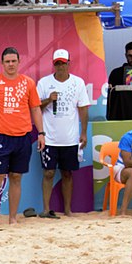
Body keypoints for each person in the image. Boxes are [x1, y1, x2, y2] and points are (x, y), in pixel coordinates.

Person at [0, 47, 44, 226]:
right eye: (7, 61)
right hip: (0, 137)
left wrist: (41, 133)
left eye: (14, 61)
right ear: (2, 63)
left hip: (22, 136)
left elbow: (35, 109)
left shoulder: (28, 83)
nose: (11, 64)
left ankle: (12, 218)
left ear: (19, 62)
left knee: (16, 177)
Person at [37, 49, 91, 218]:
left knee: (67, 173)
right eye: (57, 63)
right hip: (49, 138)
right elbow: (35, 107)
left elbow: (83, 109)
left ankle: (67, 210)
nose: (60, 66)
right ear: (53, 65)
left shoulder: (78, 83)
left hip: (70, 138)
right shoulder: (44, 83)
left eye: (63, 63)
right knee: (48, 173)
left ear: (69, 63)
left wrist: (83, 132)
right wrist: (48, 100)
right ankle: (46, 209)